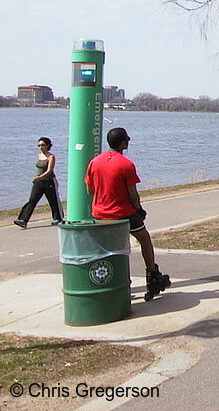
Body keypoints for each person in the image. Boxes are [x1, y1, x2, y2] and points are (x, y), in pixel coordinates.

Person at [84, 127, 169, 301]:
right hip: (122, 213)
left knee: (109, 247)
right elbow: (133, 195)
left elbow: (89, 189)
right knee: (144, 239)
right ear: (123, 143)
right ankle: (152, 274)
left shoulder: (94, 162)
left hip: (99, 213)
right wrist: (139, 210)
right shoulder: (126, 164)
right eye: (127, 141)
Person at [14, 137, 63, 228]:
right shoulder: (39, 156)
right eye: (39, 145)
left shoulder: (51, 156)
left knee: (53, 200)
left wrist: (40, 177)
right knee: (32, 201)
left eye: (43, 145)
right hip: (38, 183)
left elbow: (49, 170)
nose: (40, 147)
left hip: (49, 182)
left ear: (48, 146)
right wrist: (38, 179)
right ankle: (23, 220)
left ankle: (58, 218)